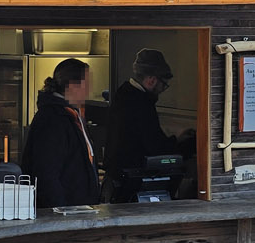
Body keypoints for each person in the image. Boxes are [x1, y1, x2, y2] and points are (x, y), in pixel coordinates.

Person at [103, 47, 189, 201]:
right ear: (152, 80)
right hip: (132, 183)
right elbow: (154, 147)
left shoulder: (123, 94)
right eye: (164, 85)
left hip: (117, 179)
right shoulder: (141, 104)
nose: (163, 90)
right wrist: (179, 142)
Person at [24, 57, 102, 210]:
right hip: (65, 212)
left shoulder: (72, 115)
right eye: (87, 84)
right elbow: (47, 173)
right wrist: (60, 211)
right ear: (72, 86)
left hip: (79, 208)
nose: (90, 90)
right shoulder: (53, 119)